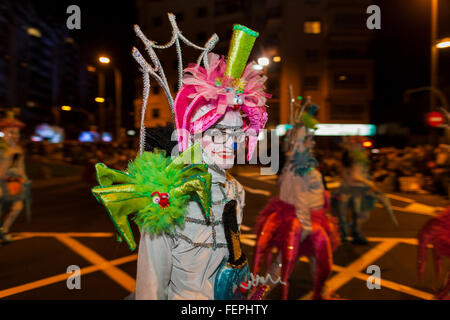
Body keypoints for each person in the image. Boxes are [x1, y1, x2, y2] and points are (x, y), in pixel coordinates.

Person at [92, 18, 269, 300]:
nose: (229, 142)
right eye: (217, 131)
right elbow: (151, 286)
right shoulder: (166, 199)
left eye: (236, 133)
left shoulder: (236, 191)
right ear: (195, 134)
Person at [253, 99, 340, 300]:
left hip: (309, 220)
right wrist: (306, 227)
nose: (313, 143)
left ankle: (321, 292)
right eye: (309, 140)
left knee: (315, 260)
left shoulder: (302, 166)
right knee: (283, 264)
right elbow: (300, 198)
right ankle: (257, 296)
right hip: (301, 224)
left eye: (312, 139)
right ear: (300, 143)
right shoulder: (299, 168)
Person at [0, 112, 29, 244]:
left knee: (18, 207)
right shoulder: (1, 148)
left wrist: (25, 179)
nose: (15, 136)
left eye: (17, 133)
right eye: (11, 132)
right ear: (5, 132)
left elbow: (20, 167)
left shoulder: (18, 149)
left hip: (13, 183)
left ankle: (4, 229)